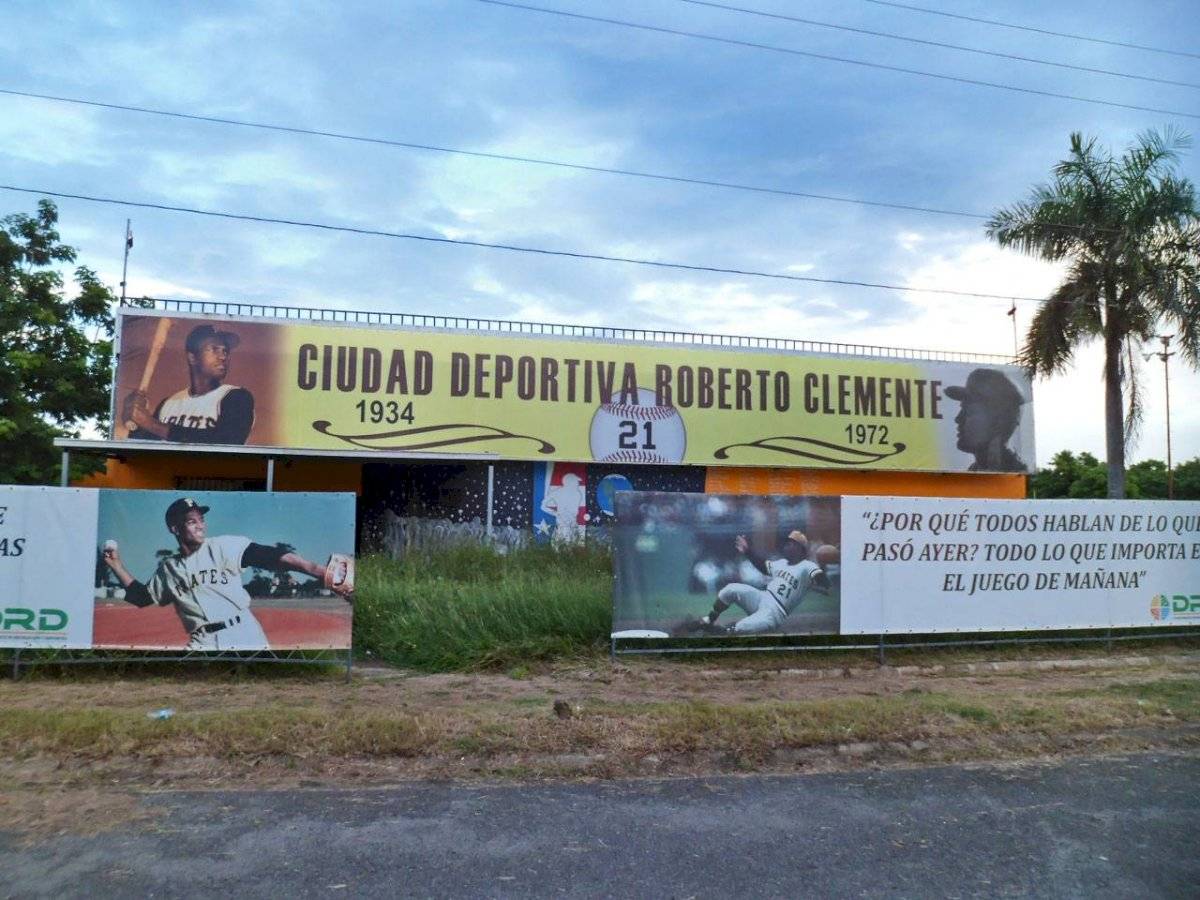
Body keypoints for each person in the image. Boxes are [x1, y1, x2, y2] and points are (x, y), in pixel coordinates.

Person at [102, 497, 337, 650]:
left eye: (201, 520)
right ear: (175, 528)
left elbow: (270, 556)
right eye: (192, 522)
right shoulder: (169, 569)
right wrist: (116, 566)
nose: (200, 526)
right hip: (202, 641)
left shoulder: (223, 546)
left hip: (243, 630)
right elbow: (143, 597)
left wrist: (317, 571)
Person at [125, 324, 255, 444]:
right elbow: (141, 447)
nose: (223, 357)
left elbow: (228, 441)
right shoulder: (168, 403)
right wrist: (136, 422)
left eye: (225, 351)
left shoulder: (237, 397)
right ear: (192, 357)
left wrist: (151, 424)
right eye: (214, 349)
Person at [679, 530, 826, 635]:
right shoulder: (782, 563)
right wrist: (748, 551)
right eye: (787, 543)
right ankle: (708, 620)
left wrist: (822, 569)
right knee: (731, 589)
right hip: (762, 597)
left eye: (792, 544)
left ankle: (714, 632)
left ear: (800, 549)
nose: (787, 545)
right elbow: (763, 566)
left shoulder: (808, 566)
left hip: (774, 613)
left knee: (737, 629)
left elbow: (823, 582)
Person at [945, 368, 1028, 473]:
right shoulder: (975, 471)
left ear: (998, 421)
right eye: (962, 409)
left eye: (970, 412)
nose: (958, 419)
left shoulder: (1016, 473)